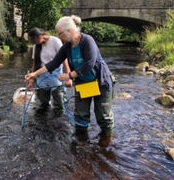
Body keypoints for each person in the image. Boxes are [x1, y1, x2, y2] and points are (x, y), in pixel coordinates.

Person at [24, 16, 114, 147]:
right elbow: (53, 63)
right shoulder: (67, 47)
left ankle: (105, 143)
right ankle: (81, 143)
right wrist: (34, 74)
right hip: (85, 84)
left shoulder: (87, 40)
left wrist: (69, 75)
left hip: (101, 83)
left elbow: (90, 63)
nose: (59, 37)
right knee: (81, 115)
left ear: (69, 31)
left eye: (60, 33)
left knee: (103, 117)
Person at [26, 27, 72, 113]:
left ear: (39, 37)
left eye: (34, 41)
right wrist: (31, 80)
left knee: (60, 105)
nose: (34, 43)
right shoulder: (36, 47)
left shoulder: (55, 41)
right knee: (44, 105)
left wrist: (68, 77)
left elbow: (64, 59)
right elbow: (34, 64)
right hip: (41, 77)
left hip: (56, 76)